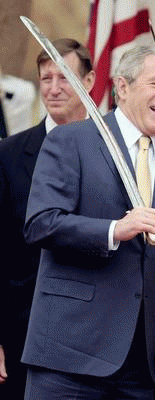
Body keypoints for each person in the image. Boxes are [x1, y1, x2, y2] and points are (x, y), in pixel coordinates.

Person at [21, 45, 155, 399]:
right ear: (123, 87)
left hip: (144, 363)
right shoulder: (71, 140)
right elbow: (41, 223)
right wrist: (115, 230)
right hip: (68, 357)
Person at [0, 38, 96, 399]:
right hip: (23, 336)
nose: (53, 89)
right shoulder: (8, 155)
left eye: (65, 77)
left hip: (99, 339)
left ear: (89, 82)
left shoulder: (120, 152)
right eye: (46, 78)